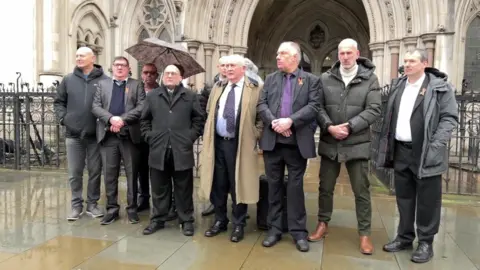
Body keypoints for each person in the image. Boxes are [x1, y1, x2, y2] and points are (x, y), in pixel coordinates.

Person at [378, 48, 458, 263]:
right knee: (404, 197)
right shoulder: (399, 86)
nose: (407, 65)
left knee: (427, 200)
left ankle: (425, 242)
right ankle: (404, 237)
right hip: (401, 149)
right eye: (405, 61)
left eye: (412, 61)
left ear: (425, 63)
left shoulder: (439, 87)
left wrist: (436, 145)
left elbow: (449, 117)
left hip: (426, 152)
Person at [309, 38, 381, 255]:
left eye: (349, 53)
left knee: (361, 191)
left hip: (357, 143)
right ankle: (323, 224)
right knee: (325, 188)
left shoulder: (370, 79)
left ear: (357, 53)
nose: (345, 57)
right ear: (337, 55)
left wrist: (350, 126)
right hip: (331, 141)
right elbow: (317, 106)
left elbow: (374, 109)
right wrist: (329, 127)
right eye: (342, 53)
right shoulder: (325, 78)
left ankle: (365, 233)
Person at [257, 41, 321, 252]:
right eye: (277, 53)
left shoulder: (310, 80)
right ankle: (274, 229)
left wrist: (290, 121)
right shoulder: (270, 79)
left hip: (296, 144)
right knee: (273, 188)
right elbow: (261, 104)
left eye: (282, 53)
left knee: (295, 189)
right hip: (272, 142)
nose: (278, 57)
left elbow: (313, 106)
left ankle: (298, 232)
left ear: (295, 57)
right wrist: (275, 123)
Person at [199, 55, 263, 242]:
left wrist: (255, 133)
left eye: (232, 65)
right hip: (218, 143)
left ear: (243, 68)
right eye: (225, 65)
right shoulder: (218, 87)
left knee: (238, 184)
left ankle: (238, 224)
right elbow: (210, 111)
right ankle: (220, 220)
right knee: (218, 183)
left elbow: (261, 117)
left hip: (240, 143)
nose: (228, 69)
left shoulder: (255, 89)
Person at [141, 64, 204, 236]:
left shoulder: (190, 96)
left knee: (184, 187)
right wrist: (150, 136)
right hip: (158, 148)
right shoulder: (153, 96)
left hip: (181, 149)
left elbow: (198, 120)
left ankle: (186, 220)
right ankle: (158, 219)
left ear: (180, 77)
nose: (169, 75)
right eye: (167, 73)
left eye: (173, 73)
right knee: (159, 187)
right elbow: (144, 120)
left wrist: (189, 137)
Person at [53, 47, 106, 221]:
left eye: (82, 55)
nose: (78, 58)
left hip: (95, 135)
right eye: (76, 55)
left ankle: (92, 204)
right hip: (73, 135)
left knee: (95, 171)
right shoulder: (68, 79)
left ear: (93, 58)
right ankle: (76, 206)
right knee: (74, 172)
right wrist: (63, 119)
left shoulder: (105, 80)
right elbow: (59, 102)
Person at [91, 56, 145, 225]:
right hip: (108, 136)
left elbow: (142, 106)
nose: (120, 68)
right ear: (111, 67)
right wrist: (111, 119)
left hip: (129, 135)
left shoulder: (137, 85)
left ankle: (132, 209)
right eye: (117, 65)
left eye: (123, 65)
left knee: (131, 174)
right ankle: (112, 209)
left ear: (129, 68)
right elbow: (95, 107)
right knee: (109, 175)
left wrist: (122, 120)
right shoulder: (103, 84)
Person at [137, 63, 159, 212]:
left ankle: (160, 201)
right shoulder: (136, 89)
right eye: (146, 72)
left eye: (152, 73)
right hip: (138, 135)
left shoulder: (161, 90)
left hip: (155, 135)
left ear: (157, 75)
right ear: (141, 74)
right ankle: (143, 198)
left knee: (157, 170)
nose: (148, 75)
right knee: (141, 169)